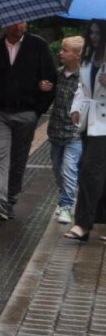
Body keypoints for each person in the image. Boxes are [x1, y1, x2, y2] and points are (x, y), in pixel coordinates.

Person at [0, 21, 55, 220]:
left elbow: (51, 79)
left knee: (18, 158)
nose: (18, 25)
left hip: (26, 113)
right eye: (14, 22)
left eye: (22, 21)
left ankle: (10, 197)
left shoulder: (38, 46)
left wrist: (38, 111)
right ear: (5, 24)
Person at [65, 20, 106, 243]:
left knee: (90, 170)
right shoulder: (88, 58)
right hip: (89, 121)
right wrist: (75, 109)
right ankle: (94, 222)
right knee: (98, 173)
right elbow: (82, 87)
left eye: (98, 32)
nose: (94, 36)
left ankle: (82, 223)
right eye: (91, 32)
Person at [47, 36, 84, 224]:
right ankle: (67, 195)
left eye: (65, 50)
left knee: (69, 168)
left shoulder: (85, 77)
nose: (60, 52)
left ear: (78, 55)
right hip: (55, 130)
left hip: (74, 133)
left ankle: (66, 206)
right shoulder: (58, 74)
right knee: (57, 169)